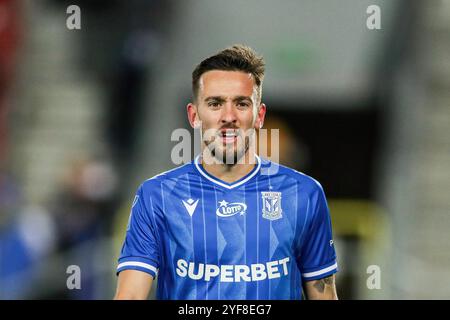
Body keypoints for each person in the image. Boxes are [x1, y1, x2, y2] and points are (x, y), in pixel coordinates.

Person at [114, 45, 338, 300]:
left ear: (259, 115)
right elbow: (130, 296)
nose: (228, 116)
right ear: (194, 115)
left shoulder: (304, 194)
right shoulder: (157, 196)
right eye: (215, 103)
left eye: (241, 104)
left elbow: (324, 295)